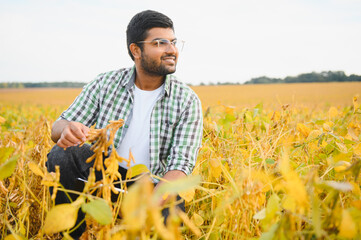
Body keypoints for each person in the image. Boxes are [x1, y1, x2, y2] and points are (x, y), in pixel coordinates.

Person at [46, 10, 203, 238]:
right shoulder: (105, 84)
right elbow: (58, 127)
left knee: (170, 227)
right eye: (160, 43)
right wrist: (67, 130)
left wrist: (148, 207)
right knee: (62, 155)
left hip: (156, 184)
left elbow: (180, 167)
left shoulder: (187, 100)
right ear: (136, 50)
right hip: (106, 176)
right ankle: (71, 234)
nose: (171, 50)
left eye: (173, 42)